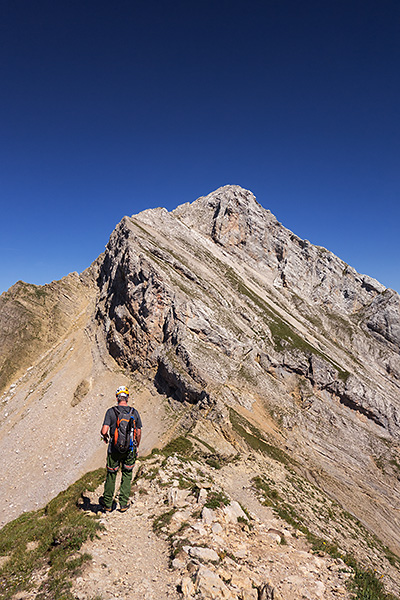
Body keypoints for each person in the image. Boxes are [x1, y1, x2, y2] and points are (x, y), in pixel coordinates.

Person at [99, 385, 142, 512]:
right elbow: (138, 432)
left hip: (114, 448)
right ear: (127, 398)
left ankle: (107, 503)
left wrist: (106, 437)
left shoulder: (111, 411)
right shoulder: (134, 412)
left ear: (117, 397)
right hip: (130, 449)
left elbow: (104, 430)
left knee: (111, 474)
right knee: (127, 474)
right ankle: (123, 504)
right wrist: (137, 446)